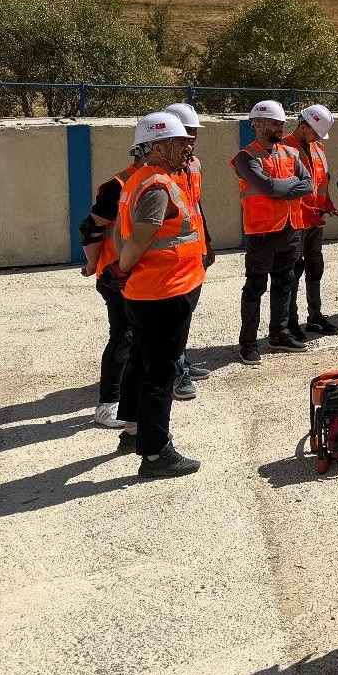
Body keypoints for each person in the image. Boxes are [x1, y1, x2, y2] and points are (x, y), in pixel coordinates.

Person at [112, 111, 205, 477]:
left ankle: (134, 431)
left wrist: (123, 269)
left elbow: (121, 233)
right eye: (180, 143)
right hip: (165, 291)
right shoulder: (157, 186)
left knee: (141, 360)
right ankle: (155, 454)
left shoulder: (139, 180)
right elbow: (139, 238)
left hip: (148, 290)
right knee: (160, 372)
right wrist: (122, 268)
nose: (187, 148)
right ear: (159, 146)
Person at [231, 100, 313, 364]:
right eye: (274, 123)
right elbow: (266, 187)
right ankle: (248, 343)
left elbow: (309, 184)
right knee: (255, 287)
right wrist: (289, 184)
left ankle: (279, 334)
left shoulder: (291, 152)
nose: (279, 127)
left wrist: (281, 188)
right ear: (257, 124)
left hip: (291, 228)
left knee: (285, 282)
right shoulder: (246, 157)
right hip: (262, 232)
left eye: (281, 123)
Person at [77, 156, 140, 430]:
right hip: (116, 276)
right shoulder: (118, 185)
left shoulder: (163, 180)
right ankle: (108, 403)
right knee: (123, 336)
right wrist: (92, 263)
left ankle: (129, 391)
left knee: (138, 337)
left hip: (143, 275)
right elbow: (90, 226)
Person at [161, 102, 215, 400]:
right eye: (187, 132)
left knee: (186, 313)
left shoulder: (193, 165)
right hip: (172, 256)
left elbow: (196, 205)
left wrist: (208, 241)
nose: (193, 138)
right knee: (173, 317)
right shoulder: (161, 170)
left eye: (195, 132)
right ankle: (173, 371)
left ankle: (180, 359)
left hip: (195, 251)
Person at [282, 104, 338, 336]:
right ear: (303, 125)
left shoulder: (317, 148)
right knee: (293, 270)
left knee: (315, 267)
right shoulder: (284, 149)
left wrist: (327, 204)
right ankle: (290, 321)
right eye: (316, 133)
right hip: (295, 222)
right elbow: (285, 190)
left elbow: (322, 181)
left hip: (315, 220)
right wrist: (305, 209)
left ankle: (315, 316)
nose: (318, 137)